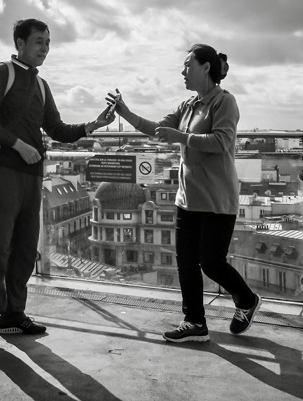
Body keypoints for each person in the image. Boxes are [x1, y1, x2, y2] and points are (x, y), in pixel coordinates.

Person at [0, 18, 114, 354]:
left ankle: (12, 316)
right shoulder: (2, 73)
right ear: (20, 43)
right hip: (2, 174)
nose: (45, 48)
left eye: (48, 42)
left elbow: (57, 129)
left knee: (24, 249)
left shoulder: (41, 85)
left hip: (32, 177)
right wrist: (18, 144)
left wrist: (93, 125)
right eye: (38, 41)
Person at [106, 44, 261, 343]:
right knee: (186, 261)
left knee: (211, 262)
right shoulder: (187, 106)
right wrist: (126, 113)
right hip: (187, 198)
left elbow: (222, 141)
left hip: (216, 198)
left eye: (188, 65)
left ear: (206, 67)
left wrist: (181, 137)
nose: (183, 71)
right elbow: (158, 129)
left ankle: (246, 299)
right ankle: (194, 322)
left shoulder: (224, 102)